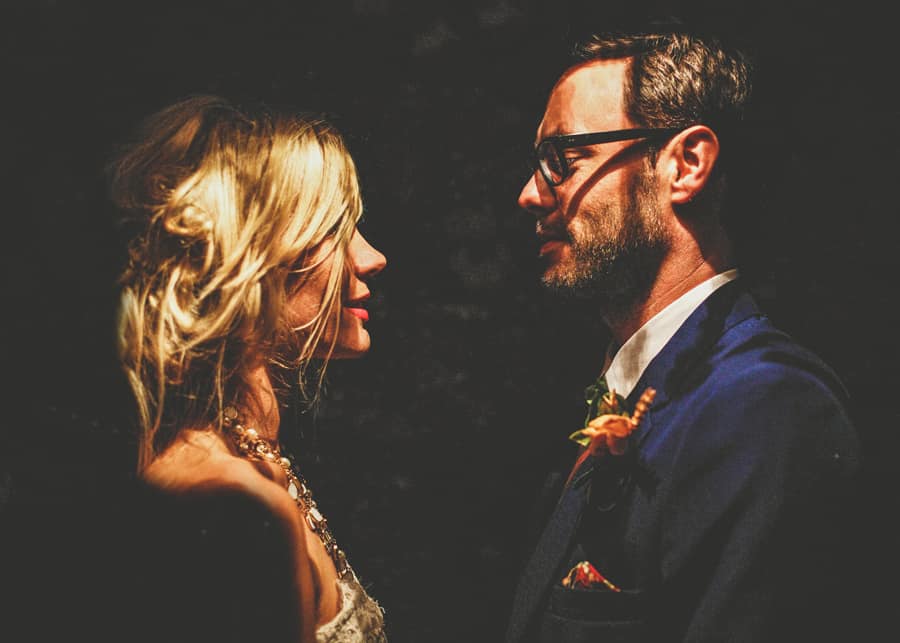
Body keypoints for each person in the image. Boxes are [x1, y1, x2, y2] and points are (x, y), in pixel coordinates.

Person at [505, 22, 861, 643]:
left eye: (562, 160)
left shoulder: (766, 408)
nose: (529, 195)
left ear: (686, 165)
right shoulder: (636, 389)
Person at [109, 95, 388, 643]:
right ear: (255, 256)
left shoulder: (251, 456)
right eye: (337, 227)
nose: (372, 256)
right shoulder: (230, 499)